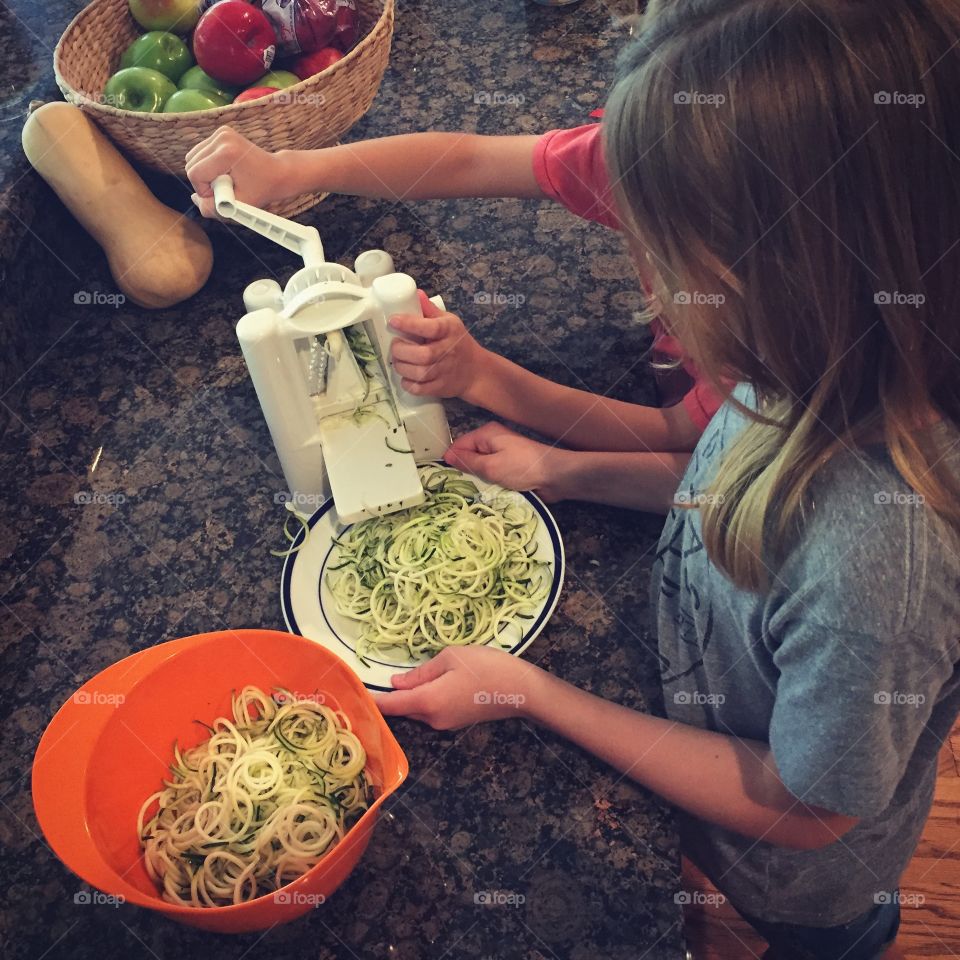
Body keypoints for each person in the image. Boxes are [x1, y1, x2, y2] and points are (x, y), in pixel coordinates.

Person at [189, 1, 960, 956]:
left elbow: (806, 809)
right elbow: (716, 477)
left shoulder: (878, 556)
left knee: (810, 934)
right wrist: (568, 471)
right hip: (698, 737)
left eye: (664, 259)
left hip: (792, 876)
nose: (647, 287)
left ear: (791, 265)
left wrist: (533, 695)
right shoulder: (796, 364)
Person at [185, 94, 722, 515]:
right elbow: (471, 160)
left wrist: (494, 389)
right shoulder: (662, 152)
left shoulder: (780, 349)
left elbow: (690, 445)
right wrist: (290, 171)